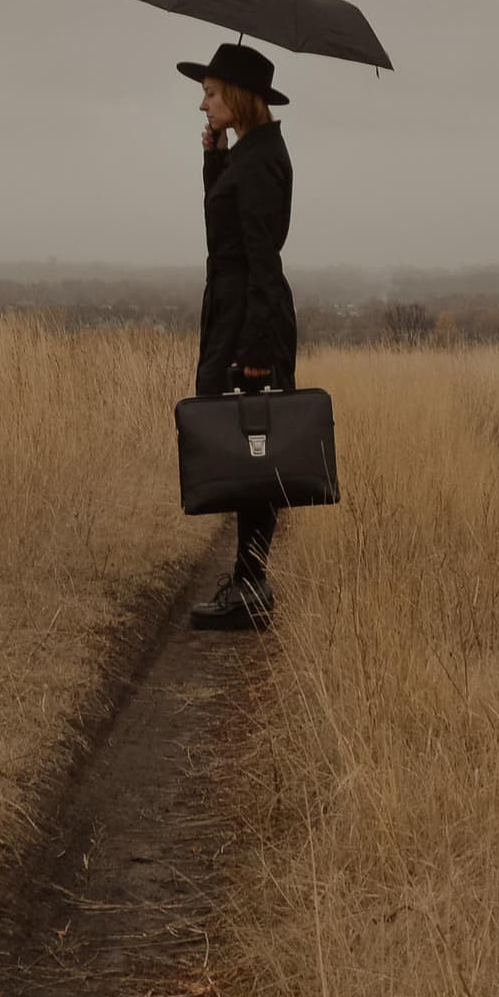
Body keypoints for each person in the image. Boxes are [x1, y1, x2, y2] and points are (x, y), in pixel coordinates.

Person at [185, 40, 295, 630]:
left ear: (236, 95)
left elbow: (260, 261)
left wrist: (254, 353)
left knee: (255, 450)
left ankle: (251, 585)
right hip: (238, 312)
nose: (202, 106)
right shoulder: (251, 154)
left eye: (208, 94)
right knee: (248, 448)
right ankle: (248, 581)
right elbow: (223, 232)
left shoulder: (260, 162)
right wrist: (215, 159)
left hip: (250, 318)